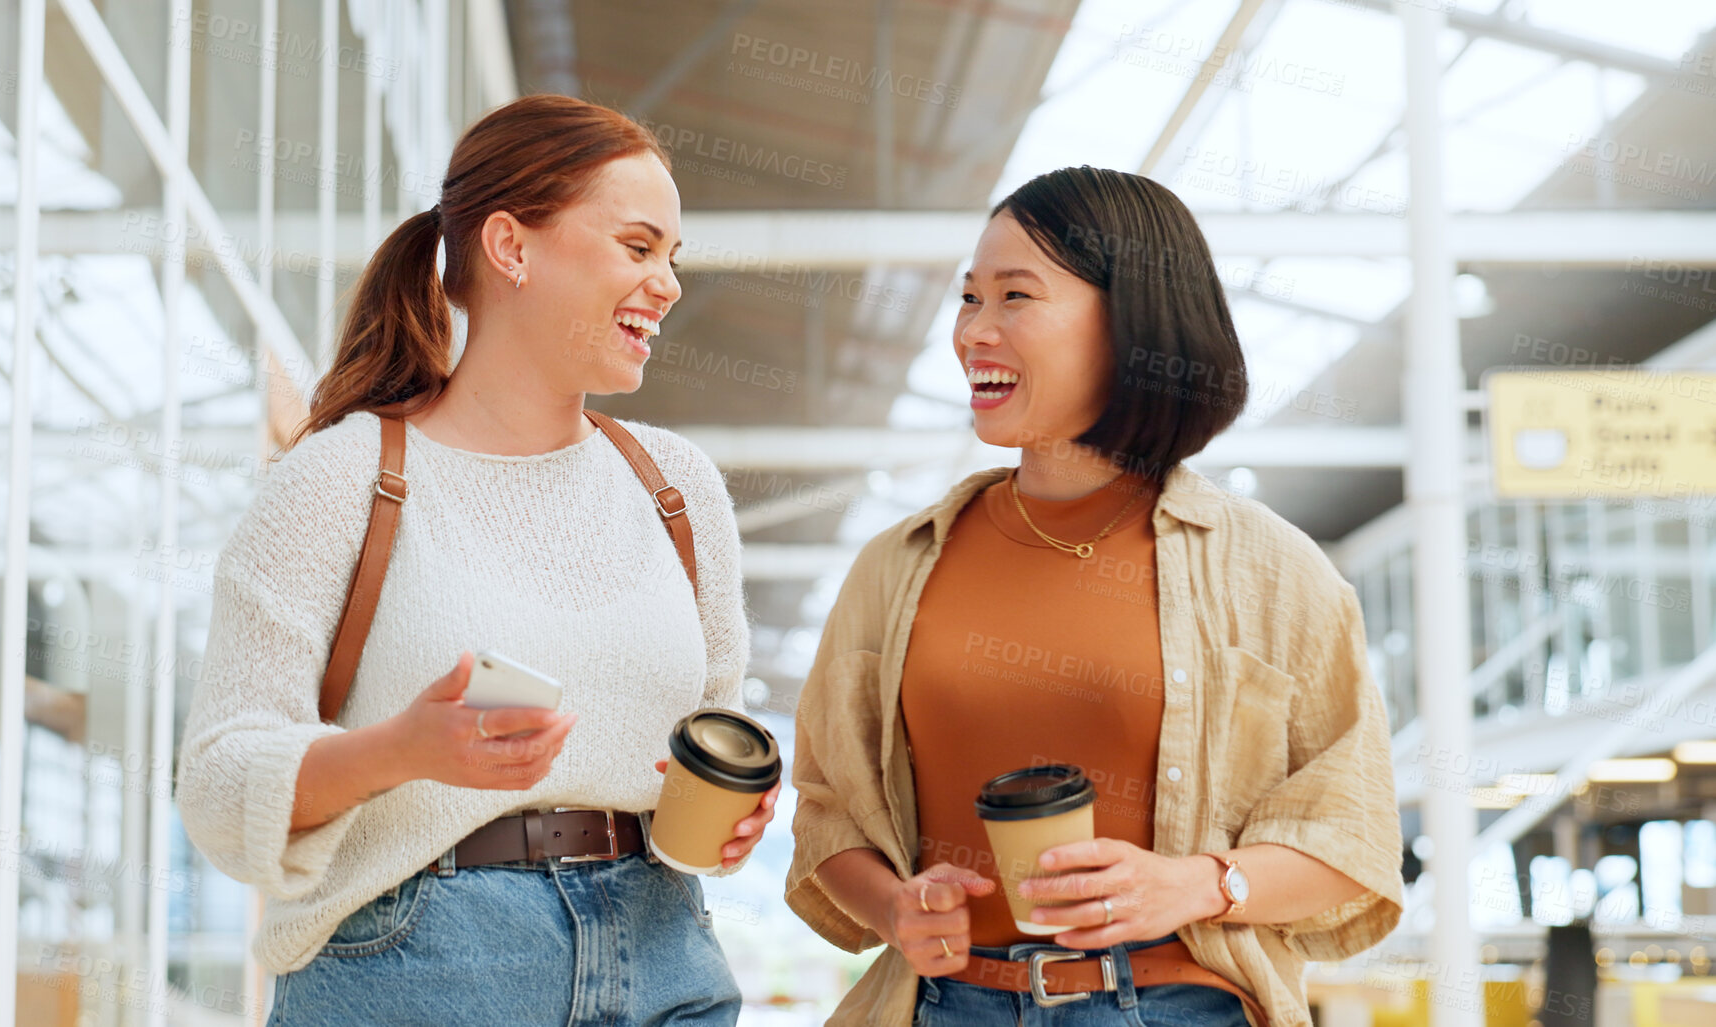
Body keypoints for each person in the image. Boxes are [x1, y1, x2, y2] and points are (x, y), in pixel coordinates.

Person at [175, 94, 777, 1026]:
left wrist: (733, 811)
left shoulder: (677, 486)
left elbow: (717, 725)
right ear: (511, 246)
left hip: (665, 954)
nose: (668, 284)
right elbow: (218, 785)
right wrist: (395, 752)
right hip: (420, 966)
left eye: (672, 257)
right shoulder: (343, 477)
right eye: (637, 246)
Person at [783, 166, 1403, 1026]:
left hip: (1177, 1005)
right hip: (946, 1006)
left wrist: (1194, 884)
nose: (974, 333)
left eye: (1014, 297)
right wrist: (894, 906)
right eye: (969, 298)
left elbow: (1354, 838)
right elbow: (827, 815)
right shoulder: (896, 565)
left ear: (1131, 324)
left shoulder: (1272, 572)